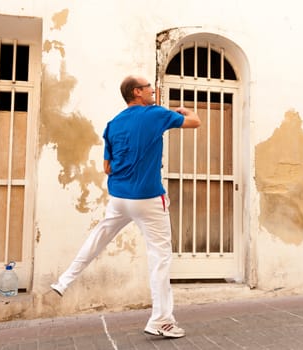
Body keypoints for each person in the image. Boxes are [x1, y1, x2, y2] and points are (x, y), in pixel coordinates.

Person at [50, 75, 201, 338]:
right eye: (148, 88)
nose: (153, 91)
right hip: (148, 197)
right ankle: (161, 321)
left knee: (99, 237)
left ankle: (64, 280)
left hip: (119, 197)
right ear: (137, 92)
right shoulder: (155, 114)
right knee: (160, 258)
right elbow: (195, 122)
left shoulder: (113, 124)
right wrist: (184, 110)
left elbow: (107, 167)